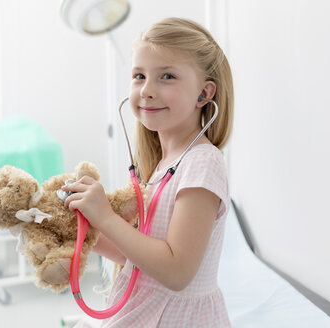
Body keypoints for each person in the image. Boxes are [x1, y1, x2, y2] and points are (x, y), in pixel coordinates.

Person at [63, 17, 234, 327]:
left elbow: (176, 272)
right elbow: (140, 258)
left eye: (167, 76)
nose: (147, 90)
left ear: (204, 94)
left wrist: (106, 217)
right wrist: (86, 228)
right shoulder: (162, 164)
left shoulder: (202, 163)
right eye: (139, 75)